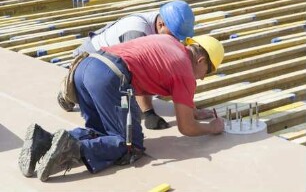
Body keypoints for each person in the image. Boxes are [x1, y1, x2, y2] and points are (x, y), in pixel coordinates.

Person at [18, 34, 225, 182]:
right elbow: (186, 128)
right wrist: (212, 128)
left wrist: (192, 110)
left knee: (101, 133)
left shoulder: (168, 41)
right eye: (208, 70)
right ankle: (74, 149)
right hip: (109, 77)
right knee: (130, 146)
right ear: (200, 60)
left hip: (85, 67)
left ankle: (43, 141)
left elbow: (150, 71)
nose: (204, 76)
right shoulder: (185, 72)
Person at [57, 0, 195, 130]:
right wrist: (149, 113)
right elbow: (137, 72)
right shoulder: (137, 31)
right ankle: (69, 92)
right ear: (161, 25)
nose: (176, 41)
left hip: (107, 63)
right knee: (118, 116)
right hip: (88, 60)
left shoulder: (161, 22)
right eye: (175, 36)